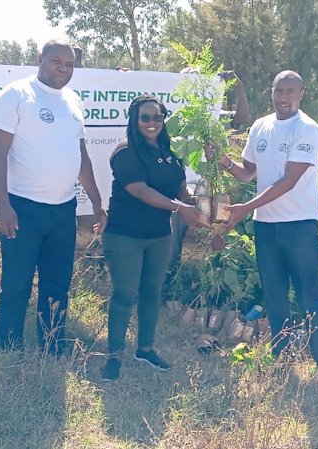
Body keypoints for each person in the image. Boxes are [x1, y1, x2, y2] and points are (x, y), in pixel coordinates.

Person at [210, 70, 318, 380]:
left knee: (309, 294)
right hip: (266, 224)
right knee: (275, 294)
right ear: (272, 92)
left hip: (299, 224)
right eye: (279, 91)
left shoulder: (307, 129)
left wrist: (244, 208)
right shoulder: (261, 127)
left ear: (301, 94)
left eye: (291, 91)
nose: (284, 97)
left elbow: (289, 181)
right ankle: (282, 355)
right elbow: (247, 173)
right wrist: (223, 161)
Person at [0, 40, 107, 356]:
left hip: (63, 210)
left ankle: (53, 346)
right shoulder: (16, 95)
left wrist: (95, 201)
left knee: (57, 285)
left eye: (69, 64)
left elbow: (80, 155)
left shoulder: (73, 101)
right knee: (16, 286)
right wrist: (3, 205)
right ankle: (8, 349)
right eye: (56, 61)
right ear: (40, 59)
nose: (63, 69)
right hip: (22, 208)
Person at [100, 95, 207, 381]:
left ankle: (145, 349)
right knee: (124, 294)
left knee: (152, 292)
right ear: (134, 120)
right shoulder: (125, 152)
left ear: (163, 119)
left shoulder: (172, 152)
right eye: (145, 118)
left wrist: (200, 203)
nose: (152, 123)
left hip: (160, 236)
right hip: (125, 236)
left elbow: (181, 190)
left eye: (157, 117)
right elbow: (140, 190)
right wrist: (179, 208)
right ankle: (114, 356)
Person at [165, 69, 249, 294]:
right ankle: (169, 286)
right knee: (172, 241)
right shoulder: (180, 118)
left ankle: (212, 288)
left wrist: (237, 86)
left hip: (210, 190)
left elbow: (241, 119)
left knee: (216, 236)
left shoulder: (212, 118)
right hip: (182, 191)